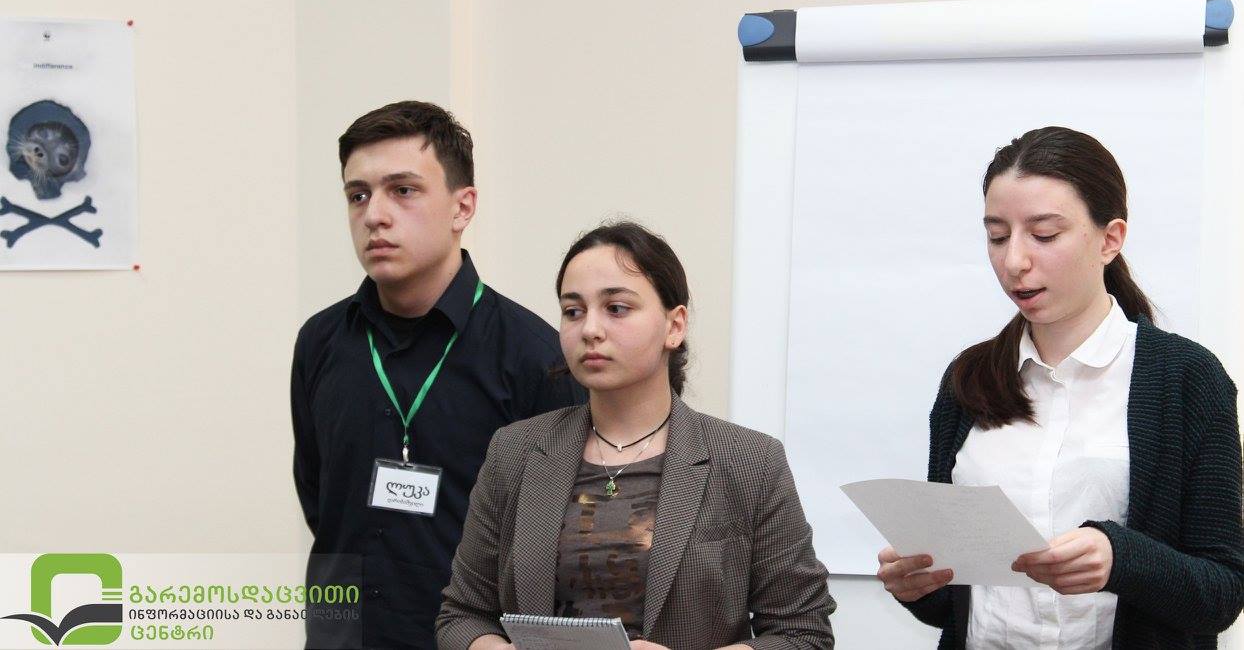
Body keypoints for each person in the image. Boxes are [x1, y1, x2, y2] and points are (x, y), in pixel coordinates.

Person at [877, 127, 1244, 648]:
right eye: (997, 236)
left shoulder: (1186, 377)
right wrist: (917, 584)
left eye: (1045, 235)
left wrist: (1120, 558)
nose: (1014, 262)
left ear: (1110, 239)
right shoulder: (968, 379)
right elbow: (956, 603)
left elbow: (1221, 593)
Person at [436, 222, 836, 650]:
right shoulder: (515, 451)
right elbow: (462, 615)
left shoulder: (750, 460)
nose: (590, 329)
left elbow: (803, 633)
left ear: (674, 326)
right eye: (573, 311)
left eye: (616, 308)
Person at [290, 101, 585, 649]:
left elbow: (558, 540)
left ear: (462, 207)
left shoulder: (535, 357)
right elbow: (319, 497)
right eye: (358, 195)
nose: (374, 215)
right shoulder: (320, 341)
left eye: (402, 190)